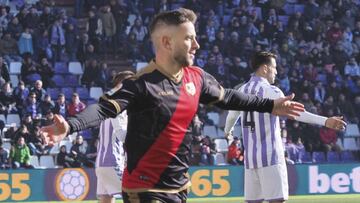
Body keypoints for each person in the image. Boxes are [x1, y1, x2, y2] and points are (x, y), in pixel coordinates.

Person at [41, 9, 305, 203]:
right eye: (189, 38)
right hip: (143, 189)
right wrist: (71, 125)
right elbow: (102, 109)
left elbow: (231, 98)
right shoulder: (141, 84)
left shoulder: (197, 78)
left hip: (179, 188)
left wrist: (270, 105)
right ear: (167, 42)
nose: (197, 45)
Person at [224, 51, 347, 203]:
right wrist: (325, 121)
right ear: (264, 69)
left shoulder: (241, 91)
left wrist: (227, 131)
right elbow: (296, 113)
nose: (276, 71)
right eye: (274, 67)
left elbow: (231, 116)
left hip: (250, 161)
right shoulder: (271, 91)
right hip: (271, 157)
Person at [96, 70, 134, 203]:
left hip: (101, 162)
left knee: (106, 198)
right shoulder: (119, 105)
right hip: (113, 160)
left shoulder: (106, 103)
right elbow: (122, 134)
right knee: (135, 195)